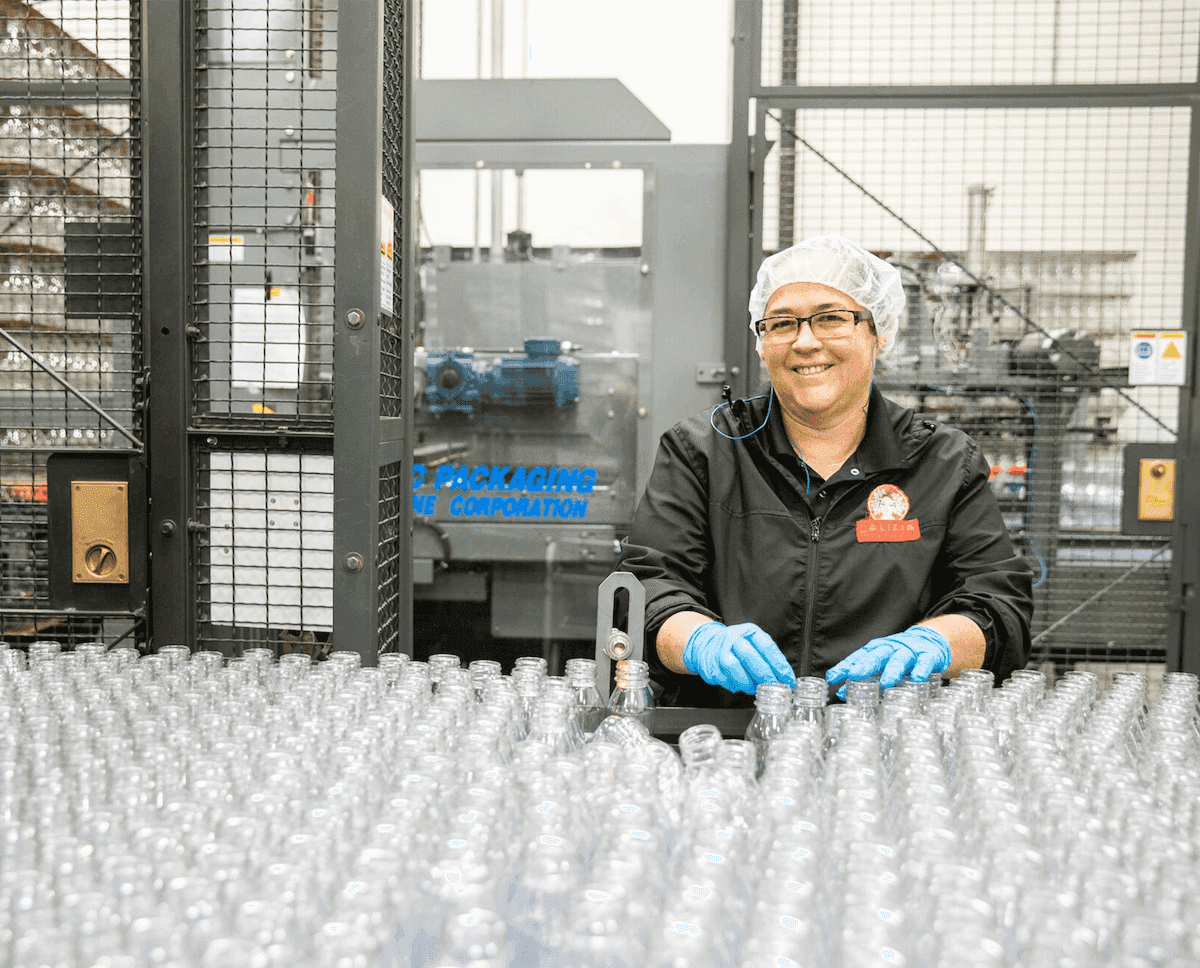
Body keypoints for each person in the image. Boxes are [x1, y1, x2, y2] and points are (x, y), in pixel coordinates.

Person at [619, 235, 1033, 706]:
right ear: (761, 343)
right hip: (726, 737)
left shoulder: (944, 463)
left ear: (879, 332)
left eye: (832, 318)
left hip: (887, 742)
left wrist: (936, 643)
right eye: (781, 324)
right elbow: (646, 586)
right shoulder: (703, 453)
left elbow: (1000, 606)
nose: (806, 342)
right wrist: (698, 640)